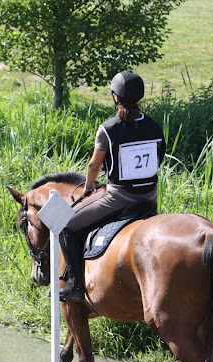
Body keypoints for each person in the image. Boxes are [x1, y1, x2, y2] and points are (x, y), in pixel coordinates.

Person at [60, 70, 167, 302]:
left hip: (120, 196)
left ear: (115, 97)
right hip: (150, 196)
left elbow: (93, 166)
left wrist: (88, 187)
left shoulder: (108, 129)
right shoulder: (154, 127)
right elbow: (158, 159)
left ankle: (75, 285)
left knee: (66, 225)